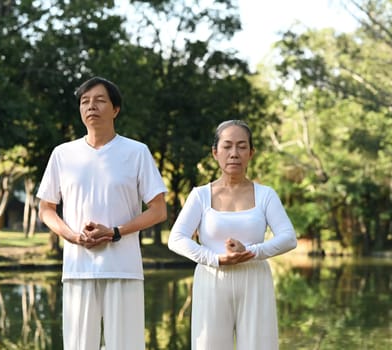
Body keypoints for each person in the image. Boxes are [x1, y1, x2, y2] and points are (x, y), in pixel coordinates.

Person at [36, 76, 167, 349]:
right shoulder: (63, 154)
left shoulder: (137, 152)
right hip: (78, 269)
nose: (91, 106)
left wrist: (116, 232)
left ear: (115, 109)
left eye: (99, 100)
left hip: (124, 269)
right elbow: (46, 209)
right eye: (85, 102)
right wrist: (72, 236)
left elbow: (158, 210)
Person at [168, 119, 297, 350]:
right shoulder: (200, 195)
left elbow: (288, 237)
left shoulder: (266, 195)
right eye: (227, 146)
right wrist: (215, 259)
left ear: (251, 153)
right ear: (215, 152)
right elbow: (176, 239)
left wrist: (251, 252)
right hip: (211, 279)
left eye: (241, 146)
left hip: (255, 279)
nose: (234, 153)